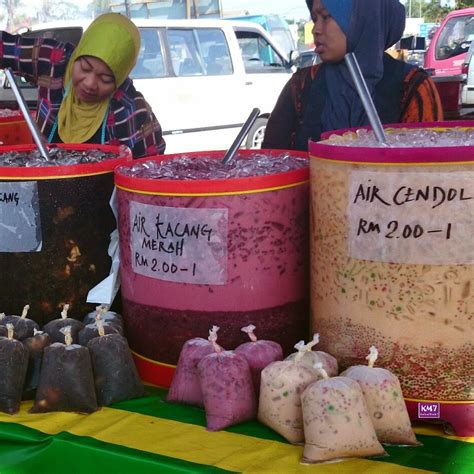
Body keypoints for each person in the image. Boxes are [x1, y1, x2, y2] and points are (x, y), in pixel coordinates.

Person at [262, 0, 443, 151]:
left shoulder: (411, 86)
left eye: (325, 17)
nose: (315, 29)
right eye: (314, 18)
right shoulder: (301, 85)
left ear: (362, 18)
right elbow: (273, 162)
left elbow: (426, 173)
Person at [0, 13, 165, 158]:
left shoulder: (133, 110)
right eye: (85, 68)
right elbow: (4, 48)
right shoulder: (55, 60)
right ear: (77, 55)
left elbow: (152, 172)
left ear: (120, 78)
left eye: (106, 79)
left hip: (103, 193)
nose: (90, 83)